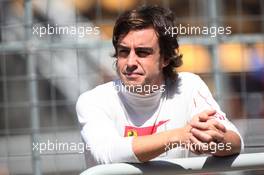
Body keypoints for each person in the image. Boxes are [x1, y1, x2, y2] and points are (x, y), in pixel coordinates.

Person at [76, 5, 244, 167]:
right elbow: (106, 155)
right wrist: (178, 136)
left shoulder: (189, 86)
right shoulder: (93, 100)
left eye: (143, 52)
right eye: (123, 52)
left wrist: (214, 141)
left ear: (166, 58)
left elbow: (236, 142)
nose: (130, 62)